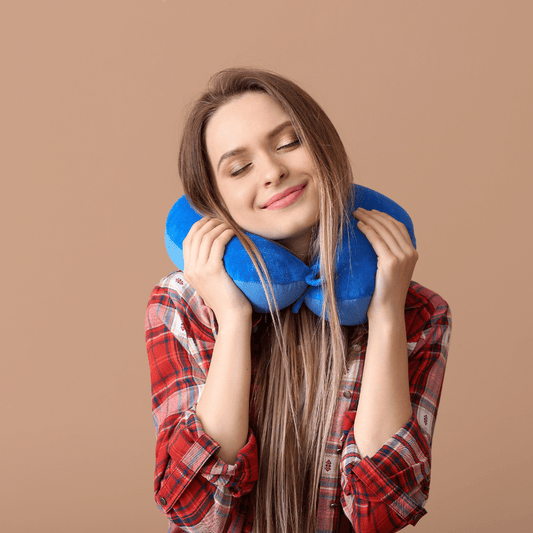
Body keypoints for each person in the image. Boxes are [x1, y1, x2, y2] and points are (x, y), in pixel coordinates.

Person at [145, 67, 452, 533]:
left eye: (288, 142)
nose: (273, 172)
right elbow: (198, 512)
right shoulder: (181, 303)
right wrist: (232, 319)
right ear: (213, 203)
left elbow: (384, 510)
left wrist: (386, 315)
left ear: (325, 147)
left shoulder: (421, 313)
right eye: (239, 167)